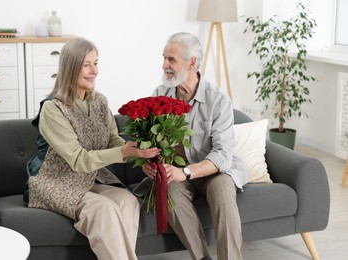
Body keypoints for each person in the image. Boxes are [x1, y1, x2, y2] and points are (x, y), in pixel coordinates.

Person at [24, 37, 160, 260]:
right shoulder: (53, 108)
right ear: (70, 67)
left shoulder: (100, 102)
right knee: (103, 209)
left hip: (88, 179)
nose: (94, 70)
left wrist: (138, 151)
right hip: (55, 180)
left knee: (126, 201)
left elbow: (113, 141)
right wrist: (123, 152)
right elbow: (78, 160)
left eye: (96, 63)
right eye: (86, 64)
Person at [141, 32, 248, 260]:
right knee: (167, 190)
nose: (164, 65)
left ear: (191, 63)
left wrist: (186, 172)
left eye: (171, 60)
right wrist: (147, 163)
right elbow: (147, 141)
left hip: (213, 171)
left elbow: (222, 155)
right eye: (164, 58)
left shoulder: (217, 100)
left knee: (222, 189)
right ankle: (202, 258)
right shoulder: (160, 94)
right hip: (177, 174)